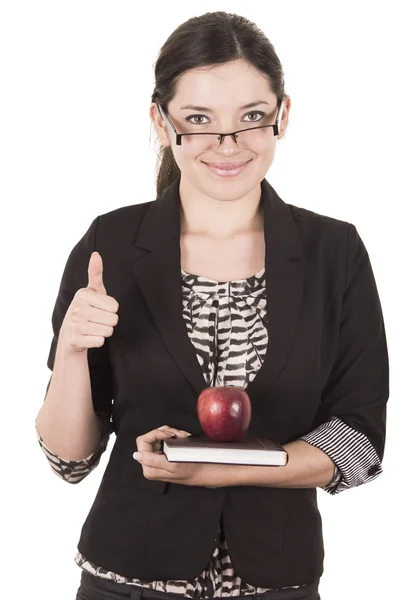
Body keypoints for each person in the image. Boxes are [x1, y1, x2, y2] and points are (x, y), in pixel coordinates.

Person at [35, 10, 389, 600]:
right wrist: (72, 350)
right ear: (161, 120)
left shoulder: (336, 251)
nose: (228, 145)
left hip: (278, 581)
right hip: (129, 579)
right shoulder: (111, 245)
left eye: (252, 118)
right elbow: (69, 462)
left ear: (283, 116)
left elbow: (359, 447)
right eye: (198, 120)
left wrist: (227, 470)